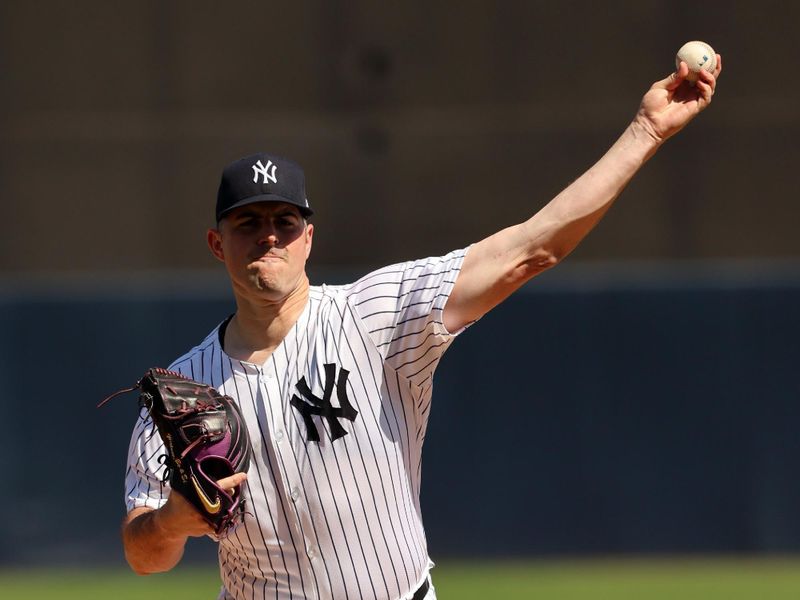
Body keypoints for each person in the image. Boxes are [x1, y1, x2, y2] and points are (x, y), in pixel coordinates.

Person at [121, 58, 722, 600]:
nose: (268, 235)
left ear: (310, 236)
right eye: (248, 222)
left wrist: (645, 132)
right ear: (215, 243)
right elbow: (142, 554)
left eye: (284, 219)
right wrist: (171, 522)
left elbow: (532, 249)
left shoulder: (373, 316)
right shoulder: (181, 390)